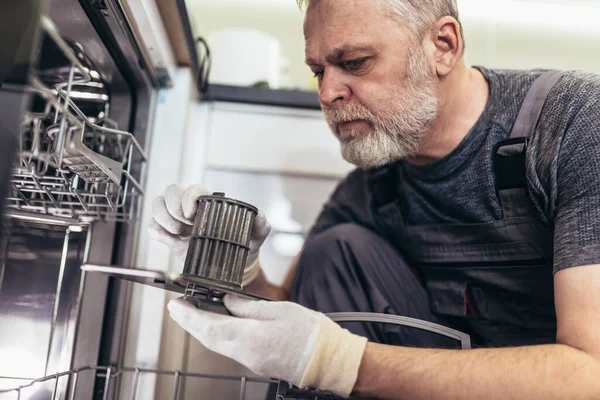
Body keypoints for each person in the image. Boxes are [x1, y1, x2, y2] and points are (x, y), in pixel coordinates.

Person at [150, 0, 600, 398]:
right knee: (334, 252)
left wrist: (342, 363)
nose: (327, 93)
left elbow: (591, 372)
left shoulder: (573, 126)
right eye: (318, 71)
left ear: (443, 45)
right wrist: (232, 263)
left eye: (356, 62)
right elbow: (291, 309)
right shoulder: (375, 184)